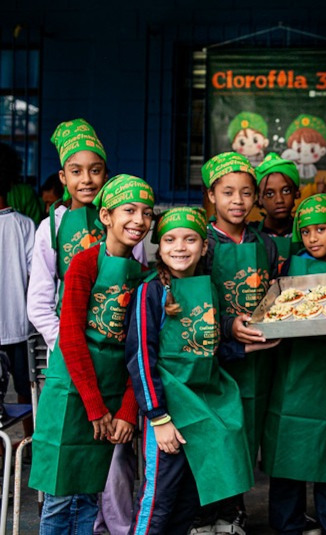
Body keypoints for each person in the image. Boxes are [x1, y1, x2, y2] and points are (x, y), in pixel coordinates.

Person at [26, 120, 144, 535]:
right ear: (62, 177)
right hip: (72, 364)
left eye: (95, 169)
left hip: (117, 371)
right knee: (62, 483)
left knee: (103, 482)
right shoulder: (52, 229)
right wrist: (75, 344)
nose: (87, 178)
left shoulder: (130, 225)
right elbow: (39, 303)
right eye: (76, 171)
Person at [126, 207, 253, 534]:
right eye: (169, 239)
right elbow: (141, 357)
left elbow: (206, 348)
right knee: (158, 501)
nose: (179, 247)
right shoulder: (150, 291)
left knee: (188, 503)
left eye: (190, 239)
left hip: (203, 407)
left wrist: (246, 346)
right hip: (168, 413)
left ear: (204, 246)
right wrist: (158, 417)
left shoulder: (208, 288)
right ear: (159, 246)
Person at [261, 193, 326, 535]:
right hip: (288, 380)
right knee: (285, 456)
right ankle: (286, 524)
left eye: (321, 229)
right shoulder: (287, 268)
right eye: (305, 232)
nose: (313, 238)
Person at [195, 151, 279, 534]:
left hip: (258, 358)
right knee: (216, 432)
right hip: (214, 355)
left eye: (247, 193)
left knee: (244, 434)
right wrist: (228, 326)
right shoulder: (200, 244)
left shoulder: (267, 244)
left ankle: (235, 511)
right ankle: (206, 513)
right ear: (211, 195)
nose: (238, 201)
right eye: (228, 192)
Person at [0, 144, 35, 429]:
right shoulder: (24, 226)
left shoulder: (24, 226)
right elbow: (33, 277)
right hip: (20, 327)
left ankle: (3, 455)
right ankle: (29, 447)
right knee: (27, 391)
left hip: (19, 330)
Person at [256, 152, 301, 272]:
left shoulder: (306, 233)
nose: (279, 200)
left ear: (296, 193)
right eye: (269, 194)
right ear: (259, 198)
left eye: (286, 191)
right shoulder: (252, 235)